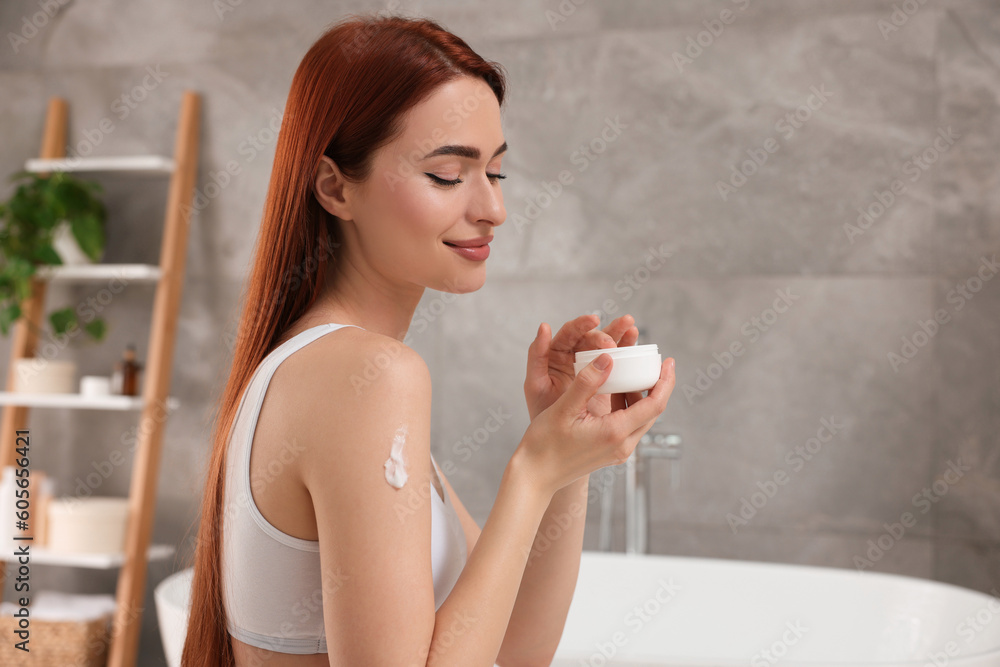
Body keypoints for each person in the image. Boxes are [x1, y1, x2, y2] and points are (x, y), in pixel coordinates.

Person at [181, 12, 676, 667]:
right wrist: (532, 470)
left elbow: (514, 650)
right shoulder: (369, 375)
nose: (492, 208)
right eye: (448, 174)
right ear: (335, 186)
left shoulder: (334, 366)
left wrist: (566, 452)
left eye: (495, 173)